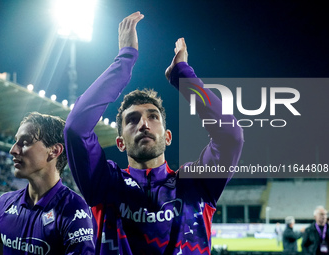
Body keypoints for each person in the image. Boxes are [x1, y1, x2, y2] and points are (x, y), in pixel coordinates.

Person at [64, 11, 244, 254]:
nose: (144, 124)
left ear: (168, 136)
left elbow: (230, 135)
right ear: (120, 142)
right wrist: (125, 59)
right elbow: (76, 127)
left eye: (152, 117)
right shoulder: (104, 183)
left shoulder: (196, 183)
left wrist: (185, 77)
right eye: (133, 120)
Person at [0, 112, 95, 254]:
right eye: (15, 142)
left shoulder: (74, 210)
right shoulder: (4, 203)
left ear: (54, 151)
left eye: (25, 142)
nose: (13, 150)